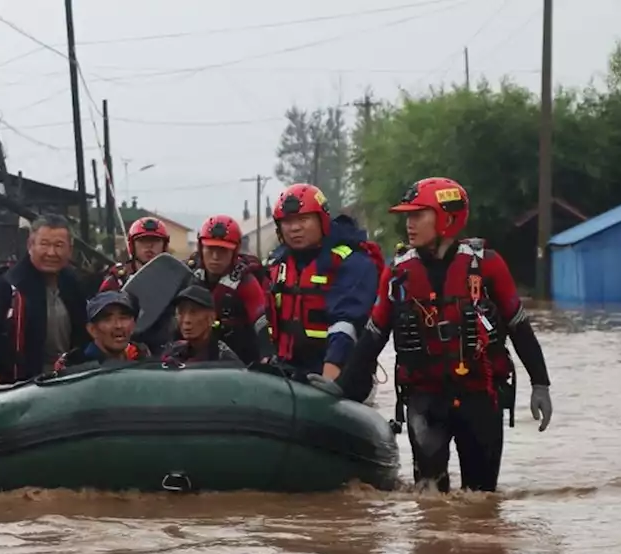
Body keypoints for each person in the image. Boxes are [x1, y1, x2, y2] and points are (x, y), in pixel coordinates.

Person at [315, 177, 553, 493]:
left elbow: (520, 327)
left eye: (418, 215)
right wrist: (339, 388)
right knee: (429, 501)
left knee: (480, 501)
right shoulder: (398, 272)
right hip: (425, 401)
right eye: (407, 216)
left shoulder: (488, 266)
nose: (409, 224)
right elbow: (373, 338)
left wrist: (541, 384)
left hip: (480, 399)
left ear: (447, 219)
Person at [262, 183, 382, 380]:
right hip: (288, 368)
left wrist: (330, 376)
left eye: (303, 219)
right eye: (287, 221)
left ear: (322, 221)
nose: (295, 228)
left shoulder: (352, 262)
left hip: (340, 370)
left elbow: (347, 322)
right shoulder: (276, 264)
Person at [0, 215, 90, 386]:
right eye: (44, 244)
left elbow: (88, 336)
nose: (51, 253)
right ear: (30, 245)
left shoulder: (76, 285)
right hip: (22, 384)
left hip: (70, 379)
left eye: (59, 245)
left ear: (70, 250)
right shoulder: (6, 285)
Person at [186, 215, 273, 364]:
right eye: (210, 248)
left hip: (239, 361)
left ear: (235, 252)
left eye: (222, 250)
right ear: (201, 248)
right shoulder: (188, 274)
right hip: (197, 357)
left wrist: (267, 357)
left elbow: (261, 321)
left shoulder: (246, 281)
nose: (215, 257)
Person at [52, 291, 150, 370]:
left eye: (123, 318)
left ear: (133, 325)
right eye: (107, 319)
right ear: (92, 329)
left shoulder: (142, 357)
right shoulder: (74, 366)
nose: (118, 325)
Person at [159, 285, 240, 363]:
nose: (187, 320)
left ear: (211, 318)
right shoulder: (173, 352)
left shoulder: (225, 361)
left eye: (194, 312)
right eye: (181, 312)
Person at [100, 217, 170, 291]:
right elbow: (101, 301)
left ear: (165, 246)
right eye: (142, 240)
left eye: (156, 240)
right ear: (132, 245)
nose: (149, 245)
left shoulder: (175, 278)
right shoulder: (117, 279)